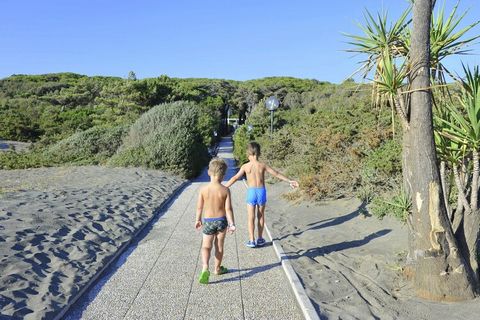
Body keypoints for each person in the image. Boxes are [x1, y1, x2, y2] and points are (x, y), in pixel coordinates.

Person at [225, 141, 299, 248]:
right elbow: (276, 174)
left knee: (250, 217)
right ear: (258, 153)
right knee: (260, 216)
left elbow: (235, 178)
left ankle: (251, 240)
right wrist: (289, 181)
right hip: (261, 192)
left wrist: (225, 186)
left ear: (248, 153)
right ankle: (260, 238)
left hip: (251, 192)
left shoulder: (245, 166)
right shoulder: (262, 165)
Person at [195, 158, 236, 284]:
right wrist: (232, 224)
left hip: (208, 221)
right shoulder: (225, 190)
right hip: (221, 221)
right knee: (219, 246)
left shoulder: (203, 189)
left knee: (206, 246)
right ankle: (217, 269)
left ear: (208, 172)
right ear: (223, 175)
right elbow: (228, 209)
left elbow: (199, 207)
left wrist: (197, 219)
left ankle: (205, 268)